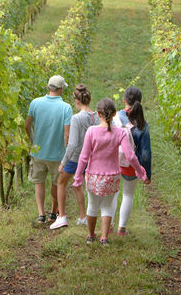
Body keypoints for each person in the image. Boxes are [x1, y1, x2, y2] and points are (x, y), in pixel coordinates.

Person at [72, 98, 146, 246]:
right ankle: (104, 238)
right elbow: (130, 155)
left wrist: (78, 176)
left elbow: (84, 156)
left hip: (93, 175)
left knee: (92, 205)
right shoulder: (121, 133)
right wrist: (140, 171)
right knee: (107, 205)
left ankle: (90, 235)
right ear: (114, 115)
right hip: (112, 176)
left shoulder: (91, 131)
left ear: (98, 114)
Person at [50, 85, 100, 230]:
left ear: (76, 101)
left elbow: (72, 144)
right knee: (78, 186)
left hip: (76, 158)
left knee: (61, 182)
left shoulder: (76, 118)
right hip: (91, 158)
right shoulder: (97, 116)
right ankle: (83, 216)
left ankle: (62, 217)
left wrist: (63, 162)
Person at [25, 75, 72, 224]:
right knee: (56, 183)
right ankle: (53, 212)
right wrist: (68, 153)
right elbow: (67, 134)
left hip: (38, 152)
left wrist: (33, 141)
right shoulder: (66, 107)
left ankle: (40, 214)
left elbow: (27, 125)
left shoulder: (35, 103)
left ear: (48, 87)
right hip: (57, 154)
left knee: (39, 182)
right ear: (61, 89)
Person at [112, 86, 152, 236]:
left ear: (124, 100)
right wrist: (145, 172)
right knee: (128, 194)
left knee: (113, 194)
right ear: (140, 102)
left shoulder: (114, 118)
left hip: (114, 162)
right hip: (131, 164)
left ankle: (108, 225)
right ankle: (121, 228)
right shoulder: (142, 124)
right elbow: (146, 153)